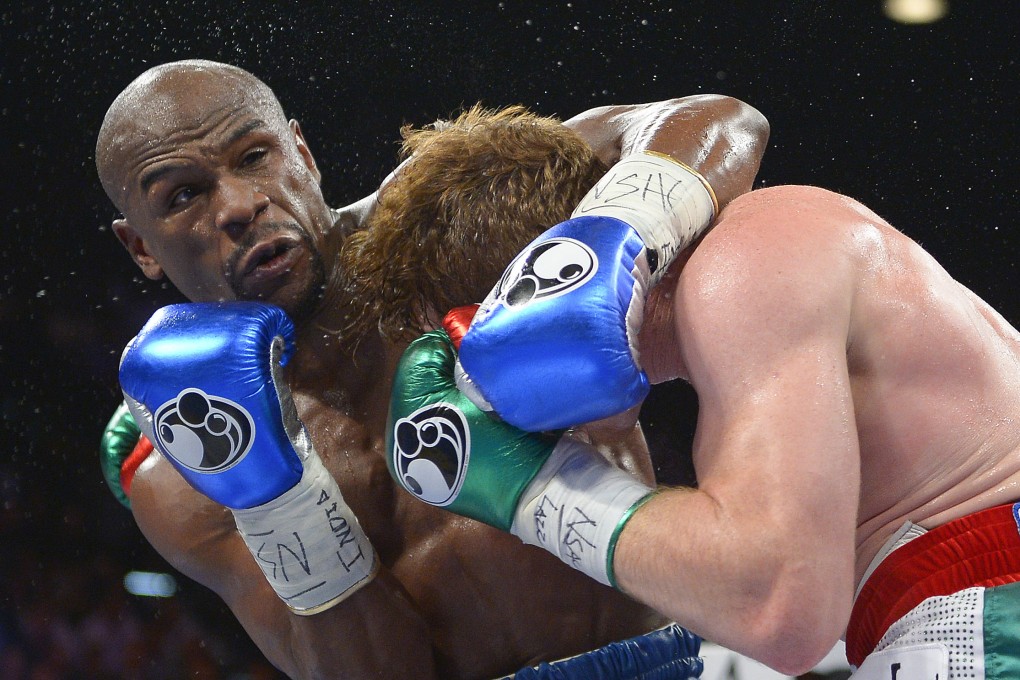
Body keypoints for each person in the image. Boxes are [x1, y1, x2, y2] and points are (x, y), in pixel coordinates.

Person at [95, 59, 769, 679]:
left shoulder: (444, 219)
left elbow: (719, 120)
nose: (239, 206)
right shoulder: (188, 470)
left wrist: (619, 233)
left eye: (254, 157)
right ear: (140, 247)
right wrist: (278, 502)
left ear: (301, 153)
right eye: (183, 196)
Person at [391, 121, 1020, 677]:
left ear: (547, 293)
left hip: (989, 599)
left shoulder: (743, 262)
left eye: (492, 358)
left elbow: (781, 610)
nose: (508, 404)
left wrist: (527, 488)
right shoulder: (753, 274)